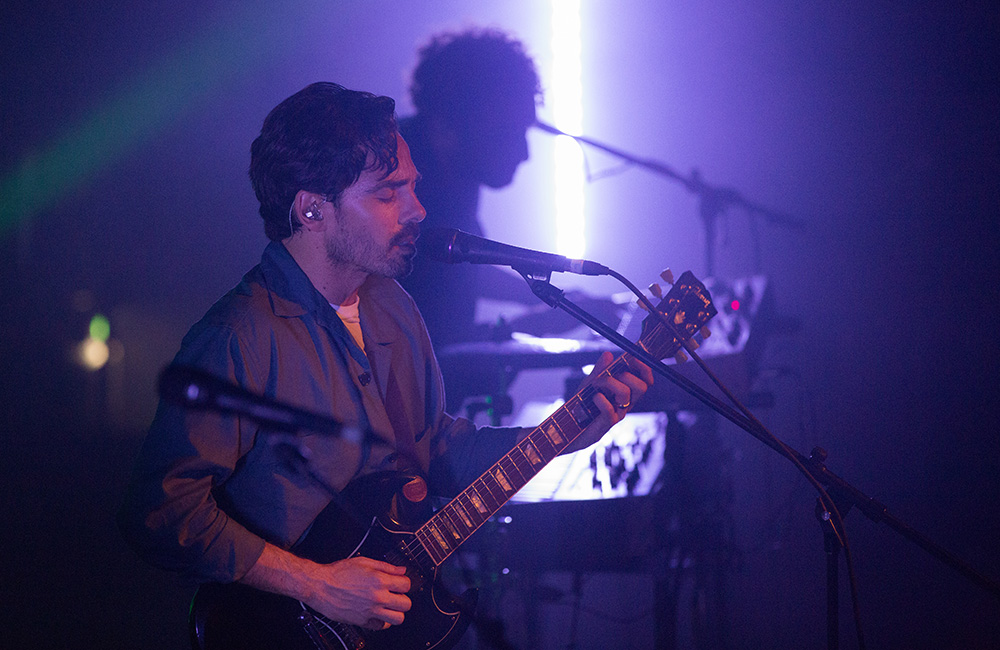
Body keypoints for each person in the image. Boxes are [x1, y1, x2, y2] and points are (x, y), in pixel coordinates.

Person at [118, 82, 651, 638]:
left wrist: (568, 430)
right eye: (387, 193)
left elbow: (437, 450)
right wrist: (315, 584)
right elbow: (160, 512)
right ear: (312, 209)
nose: (418, 209)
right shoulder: (242, 335)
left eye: (413, 187)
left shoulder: (392, 305)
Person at [398, 28, 545, 348]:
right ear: (450, 121)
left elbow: (455, 271)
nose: (524, 152)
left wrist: (547, 298)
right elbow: (434, 340)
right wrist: (539, 320)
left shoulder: (455, 173)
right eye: (510, 130)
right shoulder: (386, 185)